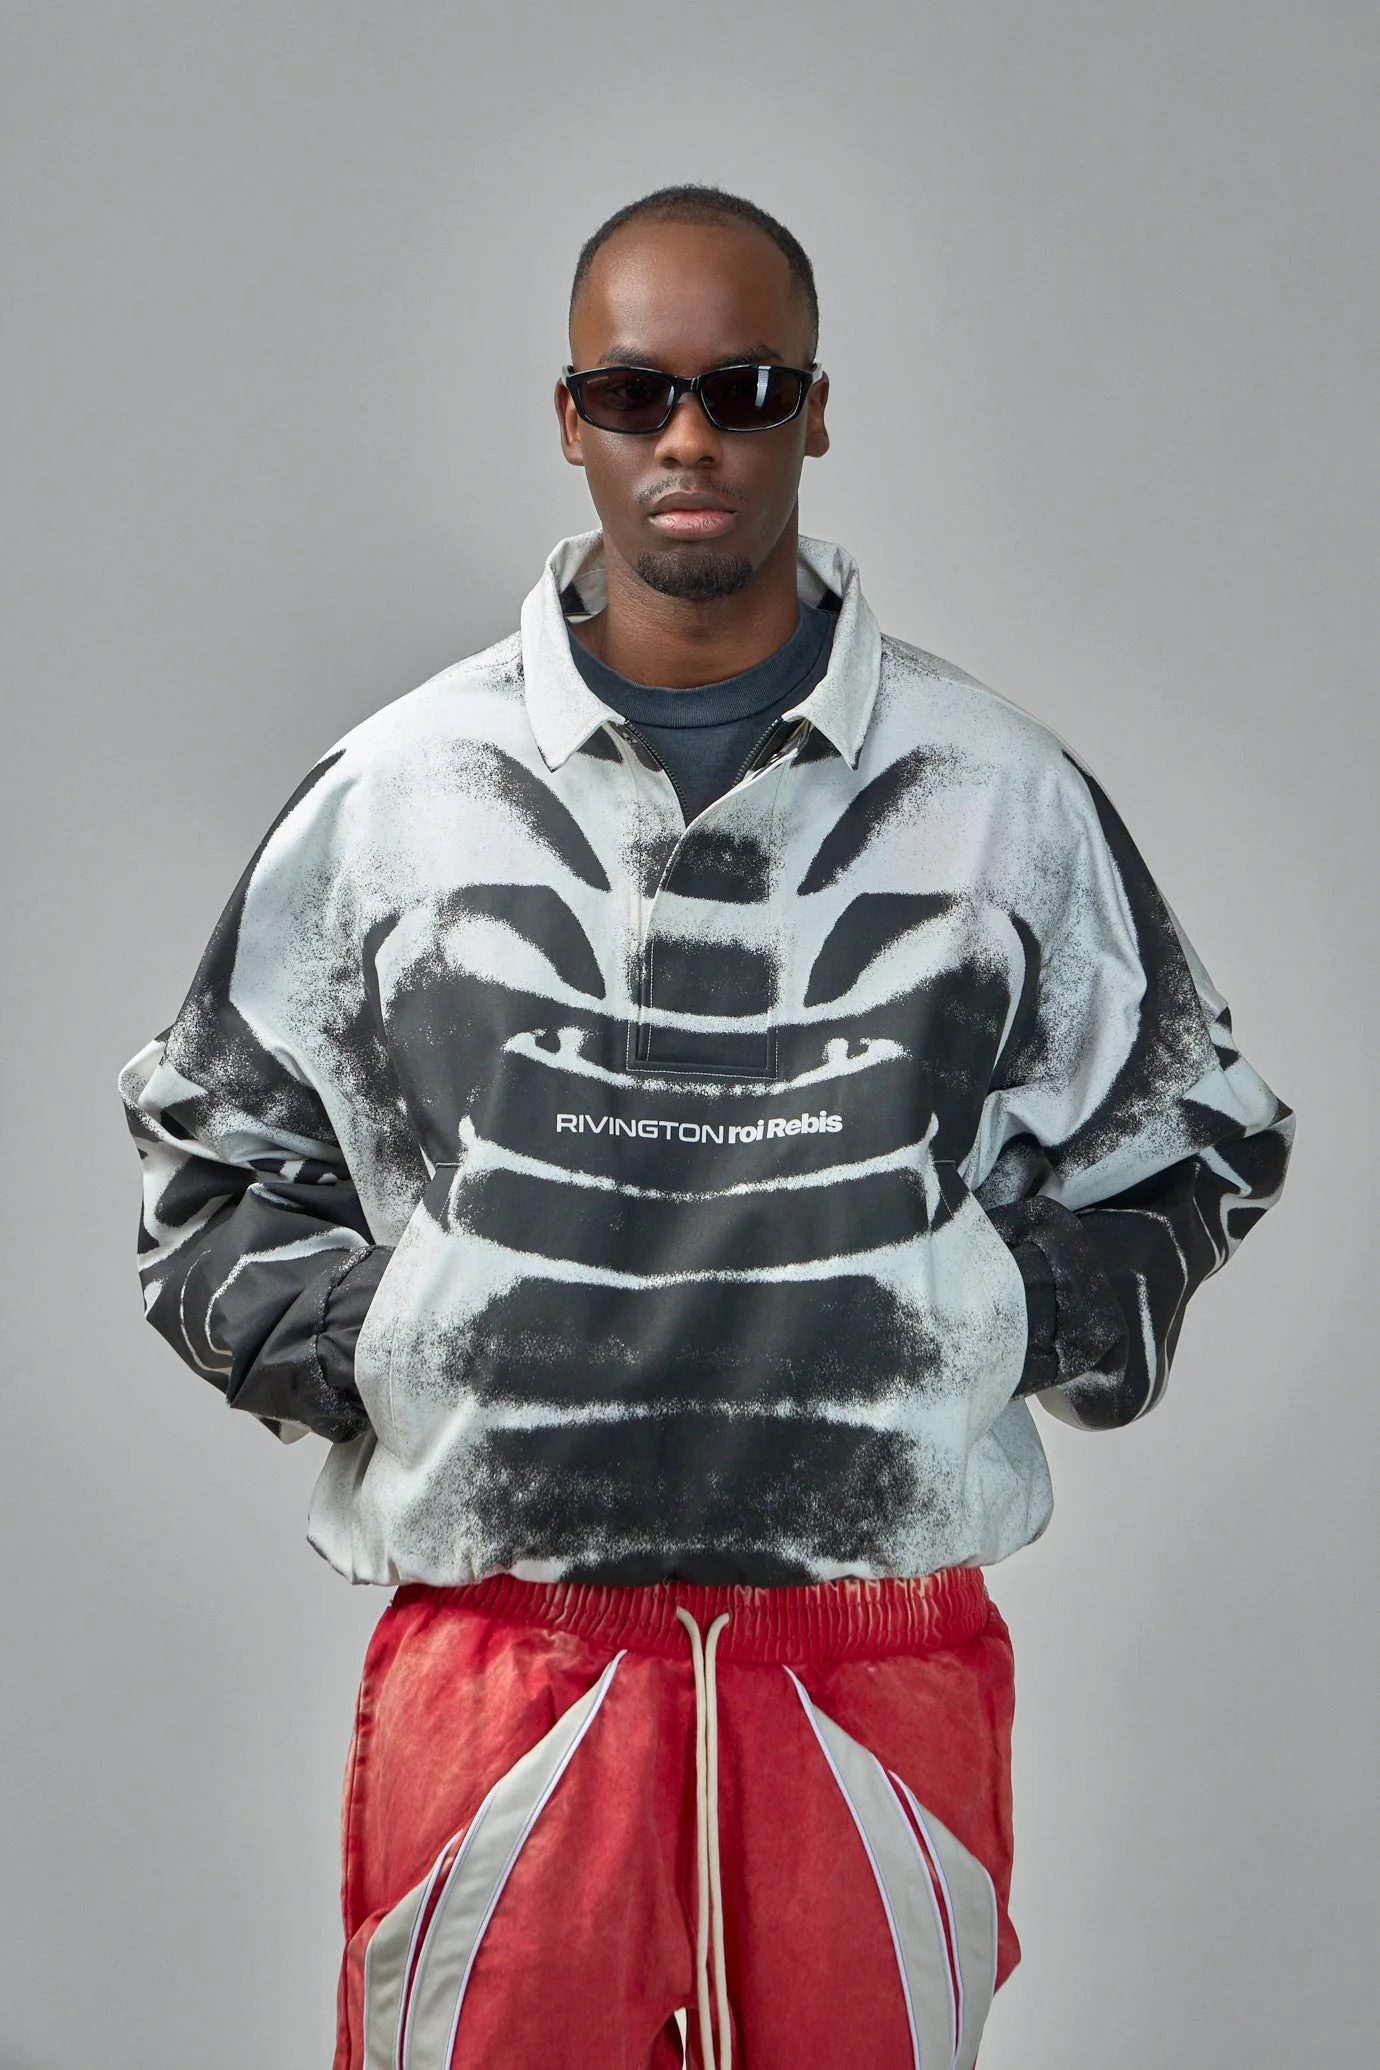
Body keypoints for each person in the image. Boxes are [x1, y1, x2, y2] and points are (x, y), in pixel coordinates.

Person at [120, 185, 1292, 2070]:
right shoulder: (399, 793)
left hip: (870, 1660)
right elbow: (206, 1168)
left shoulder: (995, 795)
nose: (688, 438)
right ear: (568, 416)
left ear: (816, 411)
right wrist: (414, 1341)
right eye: (634, 390)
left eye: (744, 390)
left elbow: (1199, 1135)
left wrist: (989, 1315)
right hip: (510, 1657)